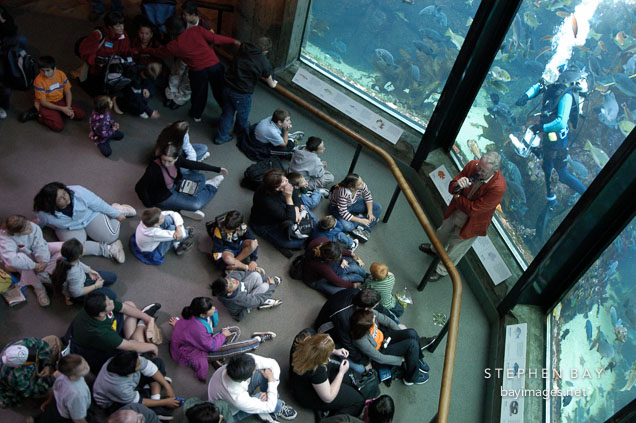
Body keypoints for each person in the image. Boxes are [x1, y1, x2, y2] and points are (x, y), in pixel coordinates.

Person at [418, 151, 506, 281]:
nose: (478, 171)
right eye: (479, 167)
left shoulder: (498, 187)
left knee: (456, 248)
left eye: (483, 171)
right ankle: (435, 250)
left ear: (494, 171)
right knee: (442, 232)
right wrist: (458, 186)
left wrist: (457, 195)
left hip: (472, 222)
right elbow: (452, 186)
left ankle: (441, 270)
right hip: (456, 211)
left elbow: (474, 210)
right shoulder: (472, 165)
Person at [314, 288, 435, 375]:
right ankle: (411, 369)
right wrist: (365, 362)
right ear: (366, 308)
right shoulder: (346, 321)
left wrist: (399, 330)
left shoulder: (361, 297)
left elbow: (381, 314)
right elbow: (348, 344)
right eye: (374, 306)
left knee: (410, 332)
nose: (376, 308)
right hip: (330, 331)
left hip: (368, 336)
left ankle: (416, 358)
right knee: (360, 368)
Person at [515, 66, 587, 205]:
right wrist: (526, 96)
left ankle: (584, 195)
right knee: (548, 166)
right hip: (549, 135)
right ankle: (550, 197)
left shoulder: (565, 95)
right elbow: (539, 87)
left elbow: (560, 122)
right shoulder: (552, 86)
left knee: (561, 173)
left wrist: (541, 127)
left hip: (558, 140)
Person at [146, 16, 239, 122]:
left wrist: (146, 50)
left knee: (199, 94)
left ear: (170, 31)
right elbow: (215, 38)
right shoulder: (196, 30)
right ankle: (227, 111)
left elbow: (159, 53)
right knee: (220, 90)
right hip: (215, 66)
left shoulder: (173, 45)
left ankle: (197, 115)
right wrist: (233, 41)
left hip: (198, 71)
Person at [168, 297, 276, 381]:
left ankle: (218, 360)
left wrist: (221, 332)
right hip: (195, 353)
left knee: (235, 330)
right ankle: (257, 340)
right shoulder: (199, 329)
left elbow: (211, 325)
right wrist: (223, 335)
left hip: (198, 345)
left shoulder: (191, 314)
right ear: (202, 314)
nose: (214, 308)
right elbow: (211, 346)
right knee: (232, 348)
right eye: (211, 308)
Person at [33, 182, 134, 263]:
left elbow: (98, 204)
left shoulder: (79, 191)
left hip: (90, 216)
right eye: (60, 199)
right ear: (52, 204)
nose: (66, 198)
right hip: (68, 228)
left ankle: (116, 209)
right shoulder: (44, 213)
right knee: (74, 249)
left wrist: (116, 214)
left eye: (64, 193)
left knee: (111, 236)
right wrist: (32, 229)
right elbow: (40, 223)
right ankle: (109, 249)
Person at [68, 293, 160, 372]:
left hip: (109, 329)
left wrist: (147, 319)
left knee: (129, 304)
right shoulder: (100, 333)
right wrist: (153, 347)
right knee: (136, 349)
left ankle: (142, 323)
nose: (112, 301)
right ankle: (140, 325)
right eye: (109, 303)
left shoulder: (94, 308)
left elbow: (124, 308)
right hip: (96, 351)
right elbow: (129, 346)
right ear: (102, 313)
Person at [135, 142, 227, 221]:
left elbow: (192, 164)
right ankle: (210, 187)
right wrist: (149, 205)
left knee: (201, 177)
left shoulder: (178, 159)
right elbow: (139, 187)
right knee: (196, 205)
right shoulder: (153, 169)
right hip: (164, 196)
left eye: (169, 161)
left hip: (175, 183)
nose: (165, 164)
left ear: (176, 158)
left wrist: (217, 169)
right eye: (163, 160)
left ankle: (184, 203)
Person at [214, 36, 276, 145]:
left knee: (227, 112)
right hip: (241, 92)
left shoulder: (244, 47)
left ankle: (221, 137)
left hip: (227, 84)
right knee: (243, 114)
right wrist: (275, 84)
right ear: (265, 51)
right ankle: (240, 132)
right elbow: (271, 83)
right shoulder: (263, 62)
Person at [289, 330, 365, 417]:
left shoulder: (304, 336)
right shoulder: (316, 369)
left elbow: (317, 346)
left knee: (349, 379)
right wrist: (341, 373)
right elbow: (328, 397)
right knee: (358, 401)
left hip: (298, 379)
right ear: (321, 356)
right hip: (306, 395)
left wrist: (334, 351)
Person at [207, 353, 298, 421]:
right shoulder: (238, 399)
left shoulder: (243, 360)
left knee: (266, 371)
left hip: (233, 391)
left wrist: (273, 383)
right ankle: (274, 408)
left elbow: (273, 364)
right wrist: (271, 381)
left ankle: (265, 405)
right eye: (254, 369)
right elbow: (270, 406)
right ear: (245, 378)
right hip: (230, 413)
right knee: (266, 399)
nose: (256, 366)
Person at [93, 350, 179, 419]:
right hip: (114, 403)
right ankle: (154, 402)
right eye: (138, 364)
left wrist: (168, 388)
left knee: (157, 362)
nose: (140, 361)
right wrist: (165, 402)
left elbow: (150, 368)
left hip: (130, 386)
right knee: (132, 411)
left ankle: (153, 396)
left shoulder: (122, 360)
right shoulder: (119, 388)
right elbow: (139, 401)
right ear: (129, 374)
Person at [350, 310, 429, 385]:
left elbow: (386, 320)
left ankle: (417, 358)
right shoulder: (360, 340)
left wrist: (401, 333)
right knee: (412, 344)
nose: (375, 317)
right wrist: (400, 359)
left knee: (411, 332)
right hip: (381, 351)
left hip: (385, 338)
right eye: (373, 320)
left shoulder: (369, 314)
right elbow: (379, 357)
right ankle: (411, 378)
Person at [0, 215, 62, 307]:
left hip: (34, 254)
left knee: (64, 247)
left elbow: (40, 245)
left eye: (28, 224)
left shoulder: (32, 226)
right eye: (27, 229)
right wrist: (34, 265)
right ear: (17, 233)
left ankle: (44, 272)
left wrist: (43, 261)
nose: (31, 228)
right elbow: (12, 260)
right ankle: (38, 287)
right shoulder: (4, 238)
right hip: (18, 261)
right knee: (22, 261)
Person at [249, 169, 310, 256]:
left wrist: (296, 209)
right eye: (284, 181)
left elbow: (296, 195)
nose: (287, 181)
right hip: (265, 225)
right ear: (277, 188)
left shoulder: (285, 183)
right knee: (295, 243)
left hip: (284, 210)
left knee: (310, 218)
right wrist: (288, 197)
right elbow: (290, 219)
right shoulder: (266, 200)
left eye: (286, 179)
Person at [20, 55, 86, 131]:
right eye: (42, 71)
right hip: (46, 104)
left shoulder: (61, 74)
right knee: (58, 127)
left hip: (59, 100)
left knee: (81, 114)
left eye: (48, 70)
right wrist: (62, 109)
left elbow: (68, 93)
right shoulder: (38, 81)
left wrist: (68, 108)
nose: (45, 74)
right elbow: (44, 103)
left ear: (54, 69)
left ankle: (56, 113)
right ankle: (38, 115)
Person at [77, 11, 135, 96]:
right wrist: (97, 61)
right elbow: (85, 53)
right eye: (118, 26)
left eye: (122, 24)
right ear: (110, 27)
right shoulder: (98, 35)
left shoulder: (123, 35)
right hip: (97, 70)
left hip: (114, 67)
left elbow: (126, 51)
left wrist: (129, 60)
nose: (122, 28)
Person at [0, 336, 61, 408]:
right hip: (26, 383)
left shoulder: (24, 344)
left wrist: (47, 365)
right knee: (53, 390)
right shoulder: (15, 376)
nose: (29, 357)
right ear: (17, 366)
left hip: (32, 370)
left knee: (53, 340)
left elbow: (42, 345)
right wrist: (52, 378)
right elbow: (33, 390)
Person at [51, 238, 118, 305]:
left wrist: (89, 270)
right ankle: (71, 299)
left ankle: (69, 295)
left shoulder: (68, 259)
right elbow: (76, 293)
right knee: (112, 296)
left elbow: (78, 263)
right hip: (79, 290)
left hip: (82, 279)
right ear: (79, 256)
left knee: (113, 277)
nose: (84, 247)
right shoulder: (73, 273)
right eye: (82, 247)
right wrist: (96, 286)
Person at [36, 354, 91, 423]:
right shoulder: (77, 394)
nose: (87, 366)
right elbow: (78, 419)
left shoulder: (61, 373)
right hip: (65, 417)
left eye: (84, 361)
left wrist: (48, 401)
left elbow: (55, 389)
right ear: (72, 375)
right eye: (83, 368)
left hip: (57, 405)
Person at [211, 271, 283, 322]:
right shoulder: (239, 299)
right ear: (229, 293)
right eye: (231, 285)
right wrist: (272, 285)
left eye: (229, 279)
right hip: (242, 308)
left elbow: (245, 273)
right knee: (265, 287)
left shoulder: (228, 280)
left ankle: (264, 287)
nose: (233, 280)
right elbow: (258, 300)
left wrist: (265, 279)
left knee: (256, 275)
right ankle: (262, 303)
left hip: (244, 293)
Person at [329, 174, 382, 243]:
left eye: (362, 181)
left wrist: (370, 212)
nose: (363, 184)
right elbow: (343, 213)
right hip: (337, 207)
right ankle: (363, 220)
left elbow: (368, 197)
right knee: (347, 226)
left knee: (378, 208)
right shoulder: (343, 192)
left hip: (353, 202)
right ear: (352, 188)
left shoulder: (362, 186)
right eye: (360, 184)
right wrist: (360, 219)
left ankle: (362, 228)